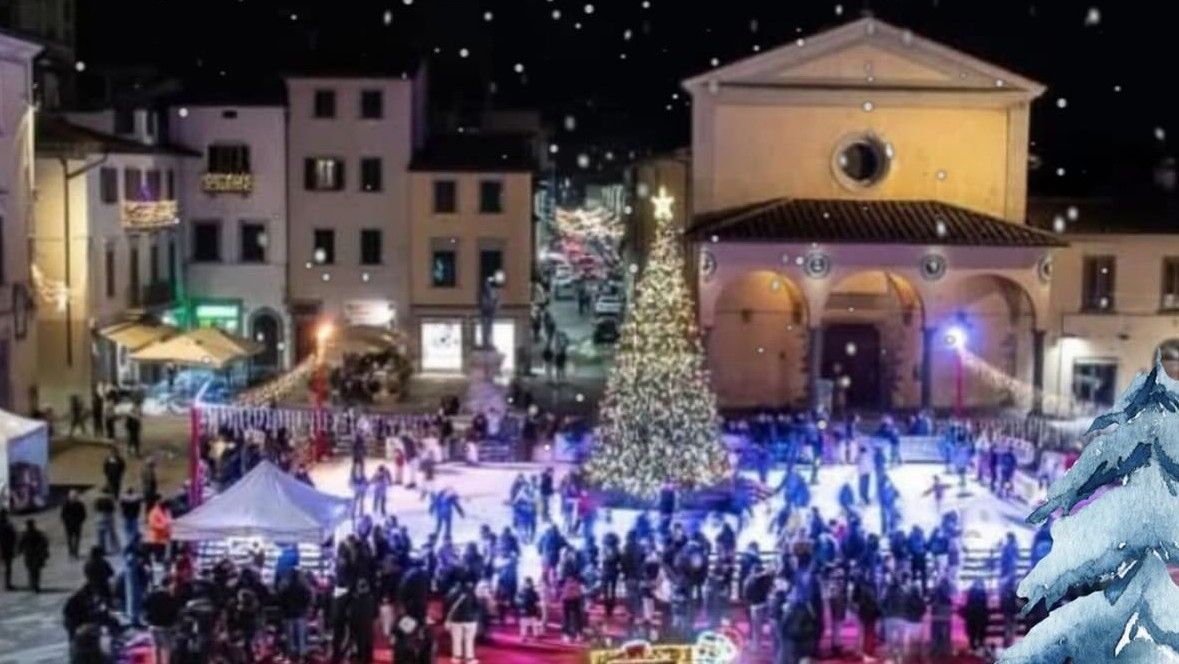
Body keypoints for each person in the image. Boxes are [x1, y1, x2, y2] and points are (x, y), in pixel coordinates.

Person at [144, 579, 180, 664]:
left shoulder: (151, 595)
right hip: (165, 626)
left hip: (153, 625)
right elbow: (174, 611)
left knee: (156, 647)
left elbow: (145, 606)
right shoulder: (169, 597)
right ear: (168, 585)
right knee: (166, 649)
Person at [445, 580, 479, 663]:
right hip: (470, 620)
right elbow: (477, 605)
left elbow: (447, 605)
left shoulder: (451, 592)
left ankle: (456, 657)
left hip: (456, 619)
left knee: (456, 639)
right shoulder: (471, 592)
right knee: (469, 640)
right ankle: (469, 658)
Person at [17, 519, 49, 593]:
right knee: (35, 571)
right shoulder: (37, 533)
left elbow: (20, 544)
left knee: (31, 570)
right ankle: (35, 585)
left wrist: (19, 551)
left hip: (30, 555)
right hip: (35, 555)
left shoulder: (26, 534)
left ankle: (33, 584)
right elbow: (44, 543)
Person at [964, 578, 990, 653]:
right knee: (975, 631)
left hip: (978, 615)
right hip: (975, 615)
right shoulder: (977, 592)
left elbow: (984, 604)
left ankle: (976, 645)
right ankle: (975, 645)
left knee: (977, 631)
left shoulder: (978, 592)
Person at [61, 489, 87, 559]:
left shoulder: (80, 505)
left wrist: (80, 521)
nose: (73, 498)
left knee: (76, 540)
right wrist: (66, 522)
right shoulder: (66, 504)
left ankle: (75, 552)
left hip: (76, 525)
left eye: (75, 496)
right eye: (72, 496)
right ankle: (71, 552)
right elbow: (63, 515)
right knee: (70, 540)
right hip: (69, 525)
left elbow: (83, 515)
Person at [518, 576, 543, 641]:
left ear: (531, 583)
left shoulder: (534, 592)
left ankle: (536, 636)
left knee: (534, 624)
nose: (528, 584)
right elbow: (519, 601)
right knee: (524, 625)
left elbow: (537, 602)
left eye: (529, 583)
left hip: (532, 611)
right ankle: (524, 636)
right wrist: (521, 608)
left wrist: (538, 609)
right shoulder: (522, 592)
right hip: (525, 610)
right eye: (527, 583)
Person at [0, 510, 15, 590]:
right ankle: (7, 584)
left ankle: (7, 584)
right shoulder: (8, 525)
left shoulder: (8, 525)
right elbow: (13, 536)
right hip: (6, 549)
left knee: (7, 568)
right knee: (8, 568)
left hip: (5, 549)